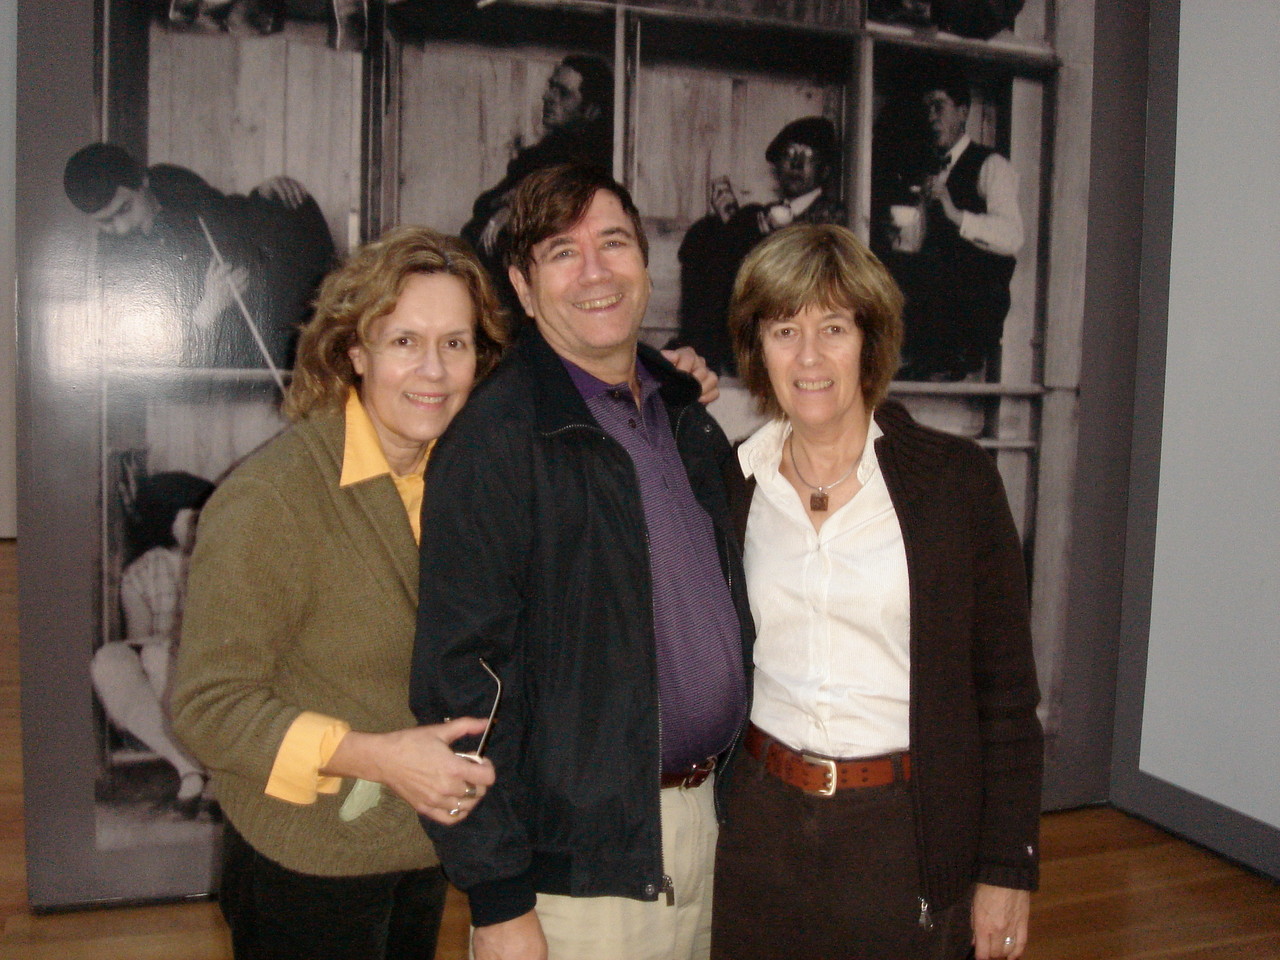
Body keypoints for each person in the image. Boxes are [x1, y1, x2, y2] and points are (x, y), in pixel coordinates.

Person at [410, 164, 754, 960]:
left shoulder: (684, 415)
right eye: (562, 253)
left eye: (613, 243)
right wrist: (498, 899)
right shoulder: (496, 440)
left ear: (645, 263)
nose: (596, 271)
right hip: (579, 872)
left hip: (708, 832)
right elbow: (461, 684)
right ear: (524, 289)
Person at [711, 223, 1042, 960]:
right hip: (759, 827)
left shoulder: (955, 483)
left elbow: (1008, 696)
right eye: (783, 329)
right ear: (756, 348)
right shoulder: (733, 482)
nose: (808, 356)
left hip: (906, 830)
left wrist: (1007, 867)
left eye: (833, 327)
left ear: (871, 339)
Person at [170, 227, 503, 960]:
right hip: (306, 868)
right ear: (355, 353)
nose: (435, 370)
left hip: (418, 850)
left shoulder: (462, 480)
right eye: (405, 341)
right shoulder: (273, 498)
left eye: (456, 343)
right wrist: (379, 758)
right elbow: (206, 708)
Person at [63, 142, 335, 370]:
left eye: (124, 209)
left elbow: (229, 218)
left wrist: (264, 195)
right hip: (200, 362)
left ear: (144, 181)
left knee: (289, 210)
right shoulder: (110, 263)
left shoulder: (177, 186)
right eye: (105, 223)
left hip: (249, 321)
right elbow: (133, 348)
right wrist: (208, 308)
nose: (121, 229)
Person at [878, 66, 1024, 381]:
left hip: (973, 317)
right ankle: (919, 356)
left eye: (938, 106)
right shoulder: (923, 168)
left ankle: (949, 357)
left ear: (963, 111)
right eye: (925, 109)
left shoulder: (991, 165)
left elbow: (1013, 238)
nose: (930, 117)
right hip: (929, 321)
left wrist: (956, 215)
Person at [672, 116, 846, 375]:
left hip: (799, 322)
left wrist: (757, 235)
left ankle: (702, 351)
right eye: (789, 154)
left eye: (807, 156)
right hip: (755, 323)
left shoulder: (834, 217)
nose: (796, 163)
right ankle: (699, 348)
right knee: (706, 231)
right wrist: (730, 220)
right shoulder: (761, 215)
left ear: (825, 170)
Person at [92, 471, 215, 818]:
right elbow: (141, 636)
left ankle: (207, 769)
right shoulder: (142, 572)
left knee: (160, 657)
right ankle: (190, 767)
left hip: (210, 666)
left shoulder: (222, 558)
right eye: (192, 518)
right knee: (114, 659)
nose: (201, 525)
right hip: (164, 665)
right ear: (165, 521)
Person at [461, 55, 614, 317]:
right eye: (551, 87)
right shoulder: (542, 154)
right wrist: (507, 204)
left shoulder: (592, 162)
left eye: (563, 93)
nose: (548, 97)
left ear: (591, 111)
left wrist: (512, 207)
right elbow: (485, 204)